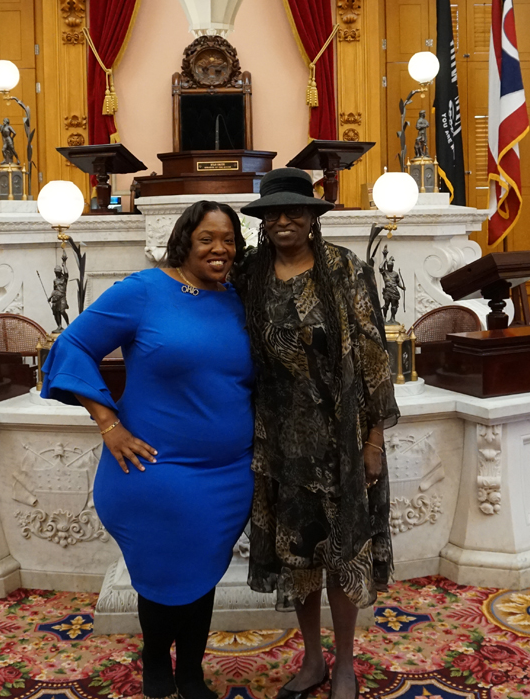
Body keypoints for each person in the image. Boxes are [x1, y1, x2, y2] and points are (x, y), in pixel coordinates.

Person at [41, 200, 252, 699]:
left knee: (202, 575)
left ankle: (191, 673)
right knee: (162, 572)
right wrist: (107, 421)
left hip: (227, 474)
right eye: (207, 238)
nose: (219, 248)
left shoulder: (240, 299)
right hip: (155, 468)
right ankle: (157, 664)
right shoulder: (145, 290)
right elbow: (71, 346)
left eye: (228, 239)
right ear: (185, 241)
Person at [238, 168, 399, 699]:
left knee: (342, 552)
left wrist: (374, 440)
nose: (284, 220)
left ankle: (346, 662)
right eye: (273, 213)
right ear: (262, 221)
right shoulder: (250, 273)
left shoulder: (343, 269)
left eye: (295, 211)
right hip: (280, 440)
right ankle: (311, 660)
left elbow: (376, 356)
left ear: (312, 217)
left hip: (343, 440)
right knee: (298, 556)